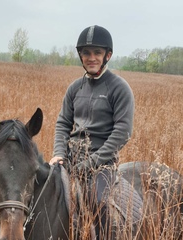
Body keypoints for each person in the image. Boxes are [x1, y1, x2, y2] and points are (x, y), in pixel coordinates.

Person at [49, 25, 135, 237]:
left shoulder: (119, 88)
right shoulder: (74, 88)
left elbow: (122, 130)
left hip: (102, 164)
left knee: (98, 202)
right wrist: (59, 152)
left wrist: (93, 161)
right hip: (70, 159)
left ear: (108, 55)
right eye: (86, 53)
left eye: (97, 52)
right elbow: (63, 123)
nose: (91, 58)